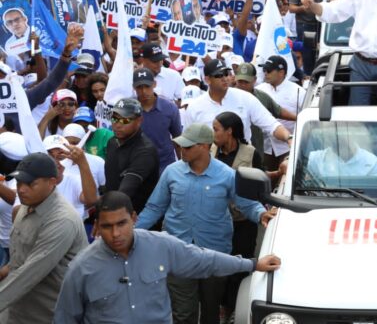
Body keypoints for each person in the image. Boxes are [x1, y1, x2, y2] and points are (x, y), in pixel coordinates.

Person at [53, 191, 281, 324]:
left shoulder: (160, 245)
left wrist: (252, 264)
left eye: (121, 223)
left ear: (133, 218)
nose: (115, 234)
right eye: (107, 226)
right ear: (96, 228)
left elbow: (205, 261)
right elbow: (65, 317)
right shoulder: (81, 268)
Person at [136, 123, 275, 324]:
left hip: (215, 252)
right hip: (177, 251)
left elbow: (246, 203)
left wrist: (262, 214)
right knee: (183, 313)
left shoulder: (226, 174)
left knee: (211, 310)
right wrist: (133, 231)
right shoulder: (171, 172)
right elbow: (154, 208)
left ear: (204, 146)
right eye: (181, 146)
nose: (182, 150)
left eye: (188, 146)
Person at [0, 153, 88, 323]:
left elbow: (30, 272)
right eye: (19, 183)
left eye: (31, 184)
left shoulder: (62, 220)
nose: (21, 189)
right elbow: (19, 261)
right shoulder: (27, 206)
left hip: (48, 315)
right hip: (17, 309)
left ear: (52, 182)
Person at [183, 59, 294, 147]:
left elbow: (271, 124)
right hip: (210, 166)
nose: (224, 78)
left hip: (242, 164)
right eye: (218, 75)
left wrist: (288, 138)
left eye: (226, 73)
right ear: (207, 80)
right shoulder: (195, 107)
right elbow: (188, 140)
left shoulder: (245, 98)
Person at [104, 97, 160, 213]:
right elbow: (111, 182)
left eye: (124, 120)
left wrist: (104, 212)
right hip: (114, 210)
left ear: (139, 120)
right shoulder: (112, 142)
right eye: (114, 118)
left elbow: (126, 190)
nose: (117, 125)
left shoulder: (145, 151)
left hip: (138, 218)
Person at [255, 56, 306, 171]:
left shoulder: (299, 92)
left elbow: (305, 118)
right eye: (264, 70)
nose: (265, 73)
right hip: (266, 146)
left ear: (281, 72)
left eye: (269, 70)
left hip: (289, 147)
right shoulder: (259, 90)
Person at [288, 0, 338, 75]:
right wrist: (303, 8)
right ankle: (307, 76)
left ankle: (320, 74)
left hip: (319, 23)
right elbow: (291, 8)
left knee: (321, 50)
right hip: (304, 24)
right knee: (307, 54)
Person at [133, 67, 182, 174]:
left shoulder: (170, 108)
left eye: (147, 86)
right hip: (136, 164)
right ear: (134, 87)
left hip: (165, 165)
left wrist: (183, 166)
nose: (144, 91)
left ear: (154, 84)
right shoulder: (128, 108)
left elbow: (178, 138)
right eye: (139, 87)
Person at [305, 125, 377, 178]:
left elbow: (375, 195)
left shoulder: (373, 163)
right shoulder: (314, 159)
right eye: (330, 133)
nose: (336, 136)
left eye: (341, 132)